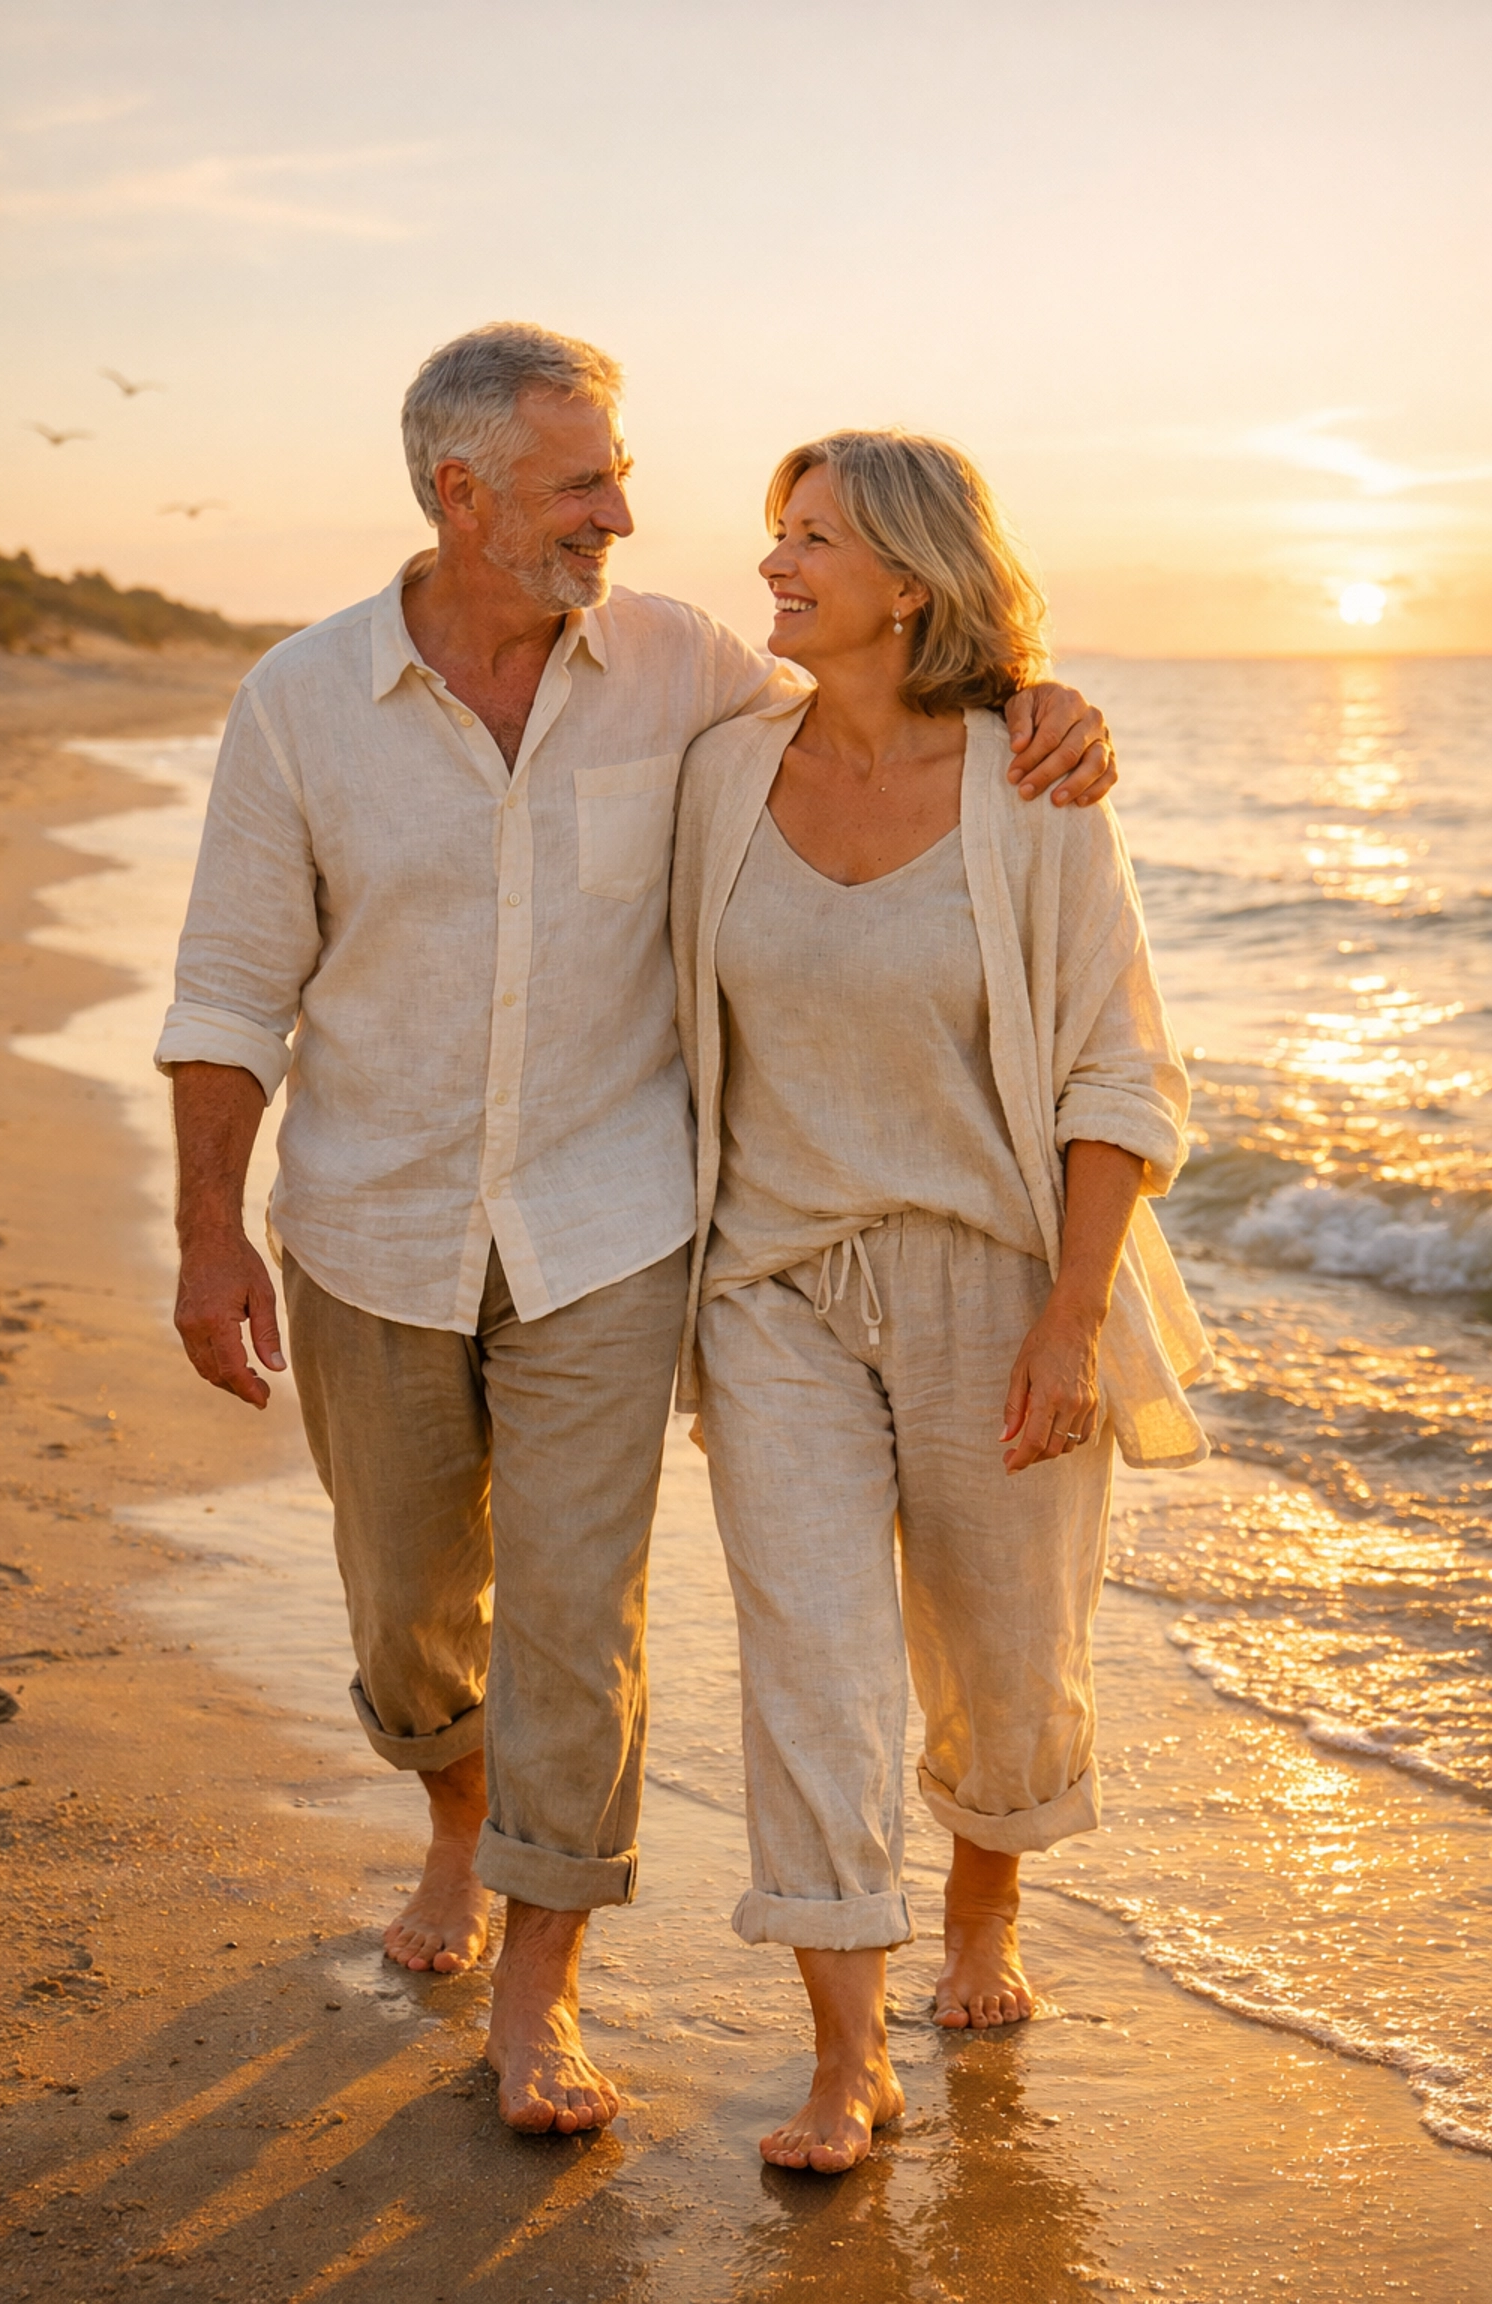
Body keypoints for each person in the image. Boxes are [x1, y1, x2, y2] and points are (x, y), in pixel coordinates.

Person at [155, 325, 1115, 2139]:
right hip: (369, 1222)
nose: (625, 511)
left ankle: (542, 1989)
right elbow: (225, 993)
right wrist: (213, 1237)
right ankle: (455, 1812)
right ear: (465, 493)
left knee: (578, 1619)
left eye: (619, 472)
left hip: (613, 1228)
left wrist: (1046, 710)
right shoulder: (298, 705)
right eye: (584, 480)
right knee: (414, 1618)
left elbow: (895, 720)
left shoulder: (675, 661)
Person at [671, 428, 1211, 2174]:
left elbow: (1122, 1076)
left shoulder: (1035, 790)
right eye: (776, 535)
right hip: (774, 1289)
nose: (773, 567)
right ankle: (845, 2050)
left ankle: (985, 1911)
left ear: (909, 579)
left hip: (994, 1280)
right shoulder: (715, 767)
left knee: (1004, 1649)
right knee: (812, 1665)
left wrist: (1070, 1321)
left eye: (811, 540)